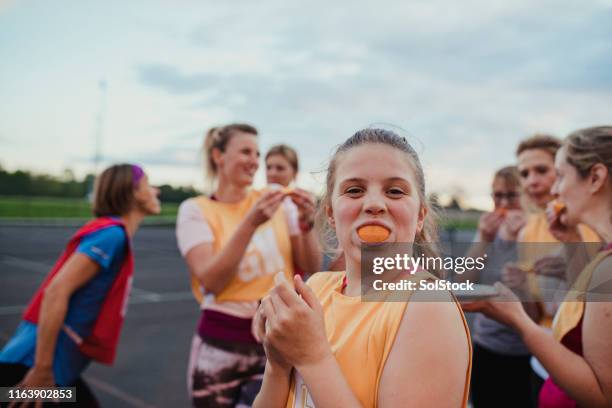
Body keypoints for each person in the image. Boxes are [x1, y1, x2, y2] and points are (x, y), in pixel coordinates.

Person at [252, 128, 472, 408]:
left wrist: (312, 357)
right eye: (354, 190)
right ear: (331, 213)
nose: (374, 204)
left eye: (395, 191)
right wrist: (277, 362)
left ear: (420, 216)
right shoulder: (316, 288)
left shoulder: (427, 306)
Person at [463, 126, 612, 407]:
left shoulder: (599, 247)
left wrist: (516, 319)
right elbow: (576, 315)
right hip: (538, 368)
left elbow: (602, 393)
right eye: (524, 174)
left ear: (595, 178)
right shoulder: (539, 230)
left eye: (557, 174)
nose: (553, 188)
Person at [176, 124, 321, 407]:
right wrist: (251, 223)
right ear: (218, 156)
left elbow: (310, 264)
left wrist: (307, 222)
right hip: (221, 342)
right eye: (245, 151)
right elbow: (211, 281)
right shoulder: (196, 210)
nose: (255, 161)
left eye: (257, 153)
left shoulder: (275, 201)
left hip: (277, 341)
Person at [0, 164, 161, 407]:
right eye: (148, 184)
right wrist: (42, 369)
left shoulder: (113, 235)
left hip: (56, 376)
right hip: (29, 372)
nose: (156, 190)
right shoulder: (111, 236)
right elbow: (56, 292)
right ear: (133, 192)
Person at [463, 166, 534, 407]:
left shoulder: (538, 233)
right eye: (497, 195)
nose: (503, 202)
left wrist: (523, 241)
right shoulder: (489, 232)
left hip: (529, 350)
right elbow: (463, 283)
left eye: (511, 195)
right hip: (487, 345)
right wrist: (483, 238)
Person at [265, 144, 323, 279]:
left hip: (288, 286)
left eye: (280, 168)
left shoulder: (298, 206)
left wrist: (305, 222)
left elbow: (312, 266)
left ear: (294, 172)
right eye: (268, 167)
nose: (272, 173)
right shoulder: (255, 204)